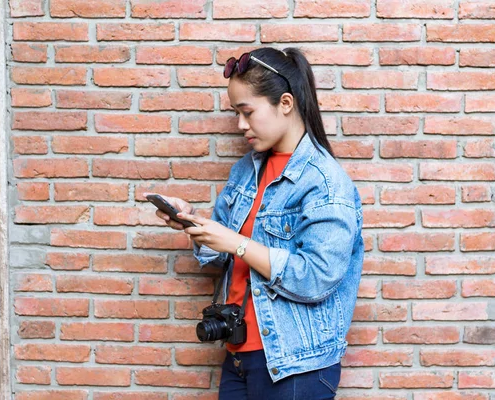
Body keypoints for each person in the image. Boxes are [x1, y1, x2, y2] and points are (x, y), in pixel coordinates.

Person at [153, 47, 364, 400]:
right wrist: (193, 222)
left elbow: (315, 279)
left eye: (247, 112)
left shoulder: (325, 183)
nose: (240, 125)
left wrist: (235, 242)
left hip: (296, 366)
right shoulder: (246, 172)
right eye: (237, 113)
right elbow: (222, 257)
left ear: (285, 103)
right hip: (238, 356)